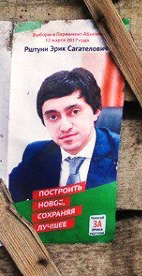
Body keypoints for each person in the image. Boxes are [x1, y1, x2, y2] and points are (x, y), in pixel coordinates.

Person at [8, 68, 120, 203]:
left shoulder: (120, 151)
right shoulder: (36, 154)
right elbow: (6, 198)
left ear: (96, 111)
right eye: (53, 117)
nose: (65, 127)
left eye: (74, 112)